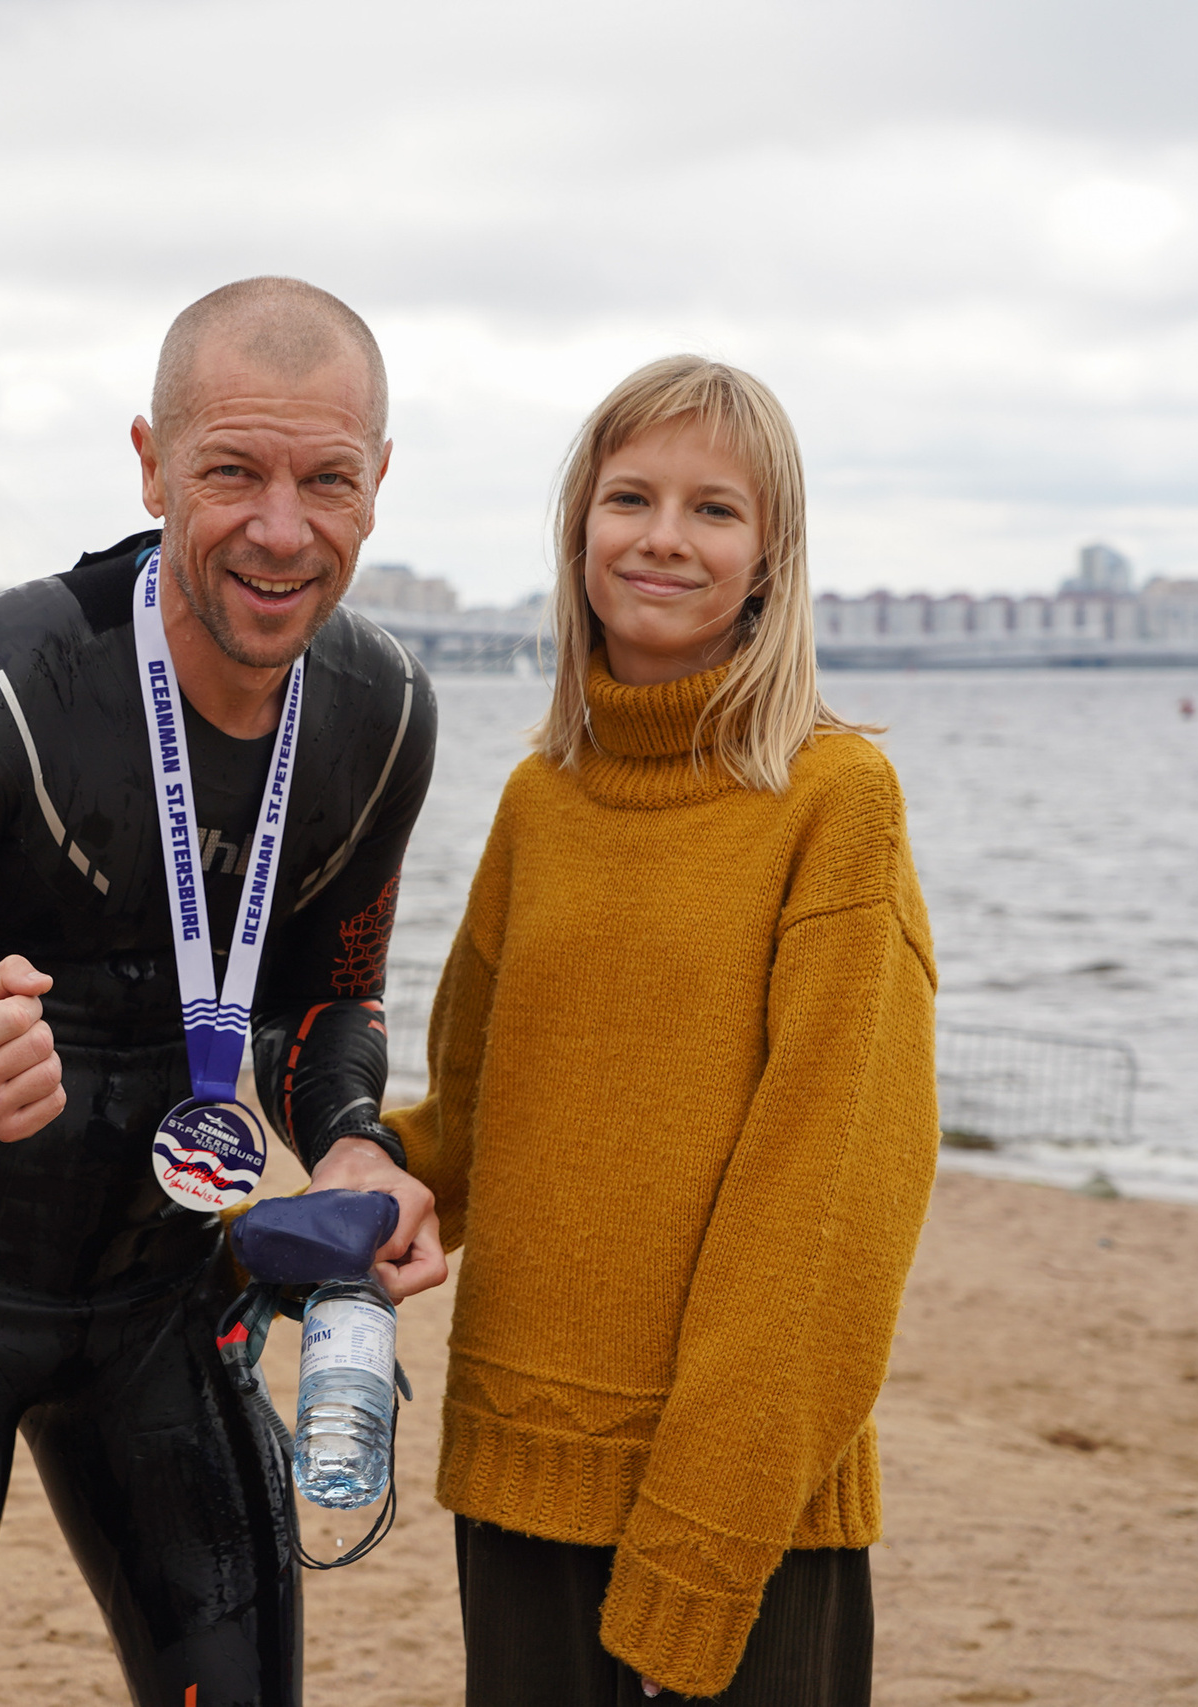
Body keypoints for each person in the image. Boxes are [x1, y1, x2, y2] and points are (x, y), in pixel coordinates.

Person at [0, 277, 444, 1707]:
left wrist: (349, 1137)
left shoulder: (384, 714)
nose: (282, 527)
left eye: (327, 478)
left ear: (379, 481)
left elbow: (331, 999)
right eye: (232, 472)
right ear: (150, 462)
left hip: (160, 1287)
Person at [386, 356, 938, 1702]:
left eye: (715, 509)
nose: (665, 537)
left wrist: (710, 1521)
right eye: (630, 496)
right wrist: (321, 1188)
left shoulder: (836, 798)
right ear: (580, 533)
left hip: (745, 1499)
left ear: (771, 560)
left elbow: (829, 1193)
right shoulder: (541, 798)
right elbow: (470, 1111)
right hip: (520, 1466)